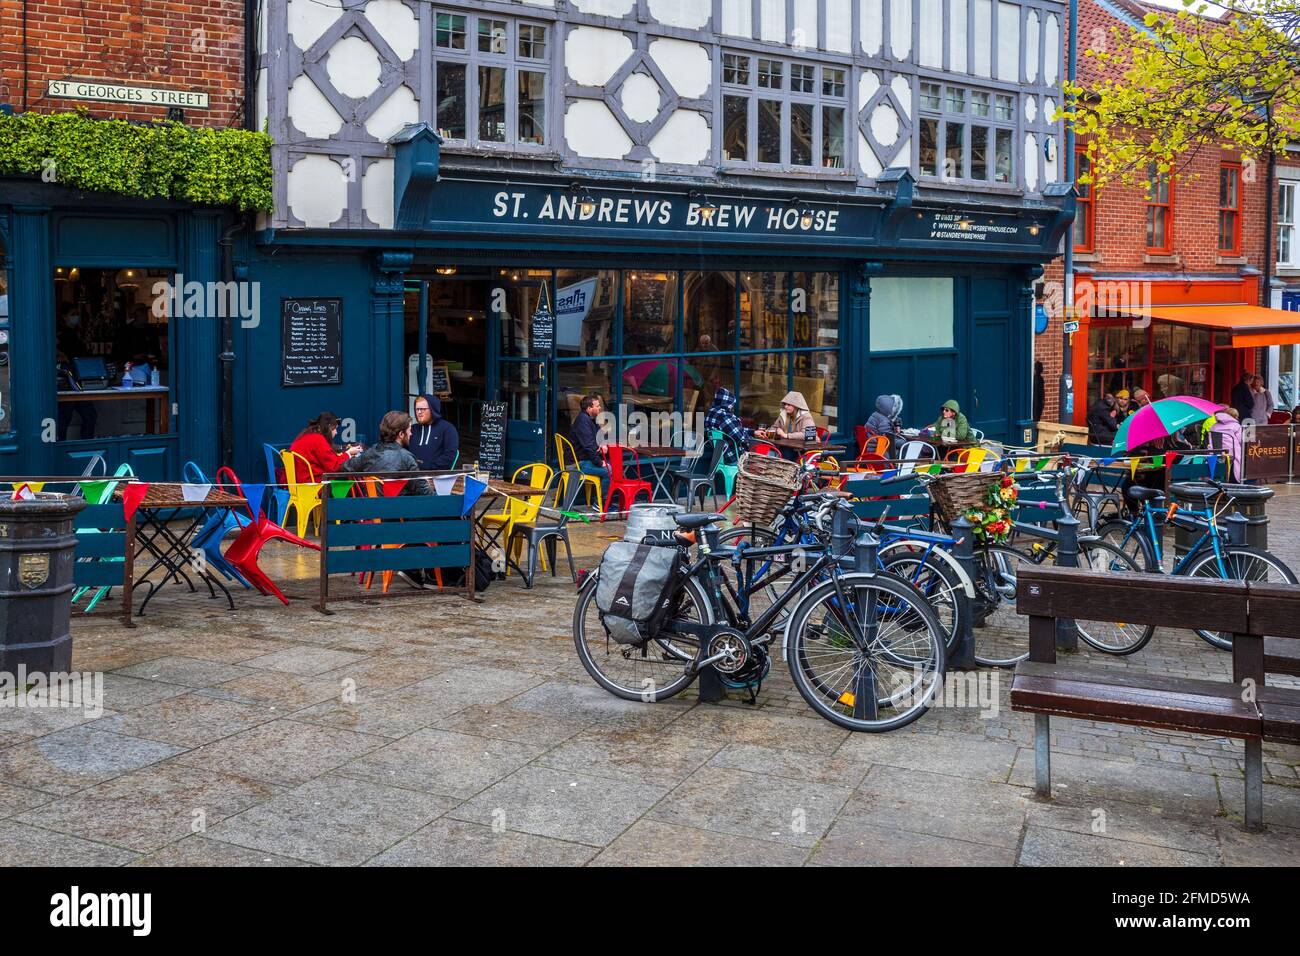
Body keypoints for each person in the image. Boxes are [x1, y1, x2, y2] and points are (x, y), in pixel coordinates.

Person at [341, 411, 430, 494]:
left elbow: (344, 467)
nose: (411, 434)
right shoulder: (406, 457)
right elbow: (424, 492)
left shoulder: (371, 452)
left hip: (372, 508)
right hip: (400, 508)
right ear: (401, 434)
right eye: (409, 430)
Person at [289, 412, 360, 483]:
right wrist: (348, 453)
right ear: (329, 426)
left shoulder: (305, 434)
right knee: (349, 477)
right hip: (313, 484)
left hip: (300, 481)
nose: (336, 432)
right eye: (335, 428)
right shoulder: (317, 439)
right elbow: (334, 466)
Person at [570, 393, 610, 490]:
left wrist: (602, 444)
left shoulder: (590, 419)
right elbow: (589, 446)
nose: (600, 408)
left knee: (613, 466)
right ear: (589, 408)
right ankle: (601, 502)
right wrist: (599, 463)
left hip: (586, 459)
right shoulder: (583, 421)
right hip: (579, 463)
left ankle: (605, 500)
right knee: (609, 471)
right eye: (597, 406)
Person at [704, 386, 756, 462]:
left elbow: (731, 430)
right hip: (733, 456)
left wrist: (753, 432)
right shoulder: (724, 416)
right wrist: (754, 440)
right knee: (770, 454)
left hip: (718, 455)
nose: (732, 407)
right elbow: (741, 438)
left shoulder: (710, 412)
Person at [410, 394, 459, 471]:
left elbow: (449, 455)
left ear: (433, 409)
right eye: (417, 409)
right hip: (412, 475)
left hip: (436, 476)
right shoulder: (412, 429)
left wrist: (428, 468)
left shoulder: (447, 429)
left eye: (422, 409)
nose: (419, 412)